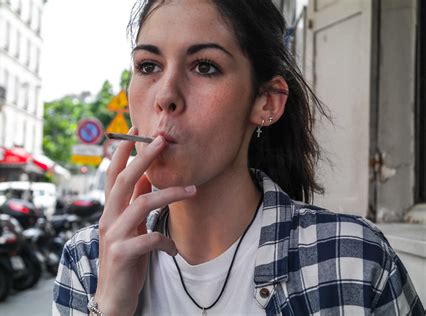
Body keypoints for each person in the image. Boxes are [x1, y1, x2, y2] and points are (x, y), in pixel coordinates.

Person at [53, 0, 424, 315]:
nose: (165, 95)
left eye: (205, 66)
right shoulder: (88, 260)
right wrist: (107, 306)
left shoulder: (351, 260)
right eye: (148, 66)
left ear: (266, 102)